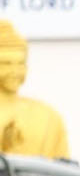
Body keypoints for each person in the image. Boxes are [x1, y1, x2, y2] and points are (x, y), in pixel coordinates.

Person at [0, 20, 70, 158]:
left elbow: (62, 170)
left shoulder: (48, 117)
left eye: (20, 63)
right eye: (6, 63)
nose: (15, 71)